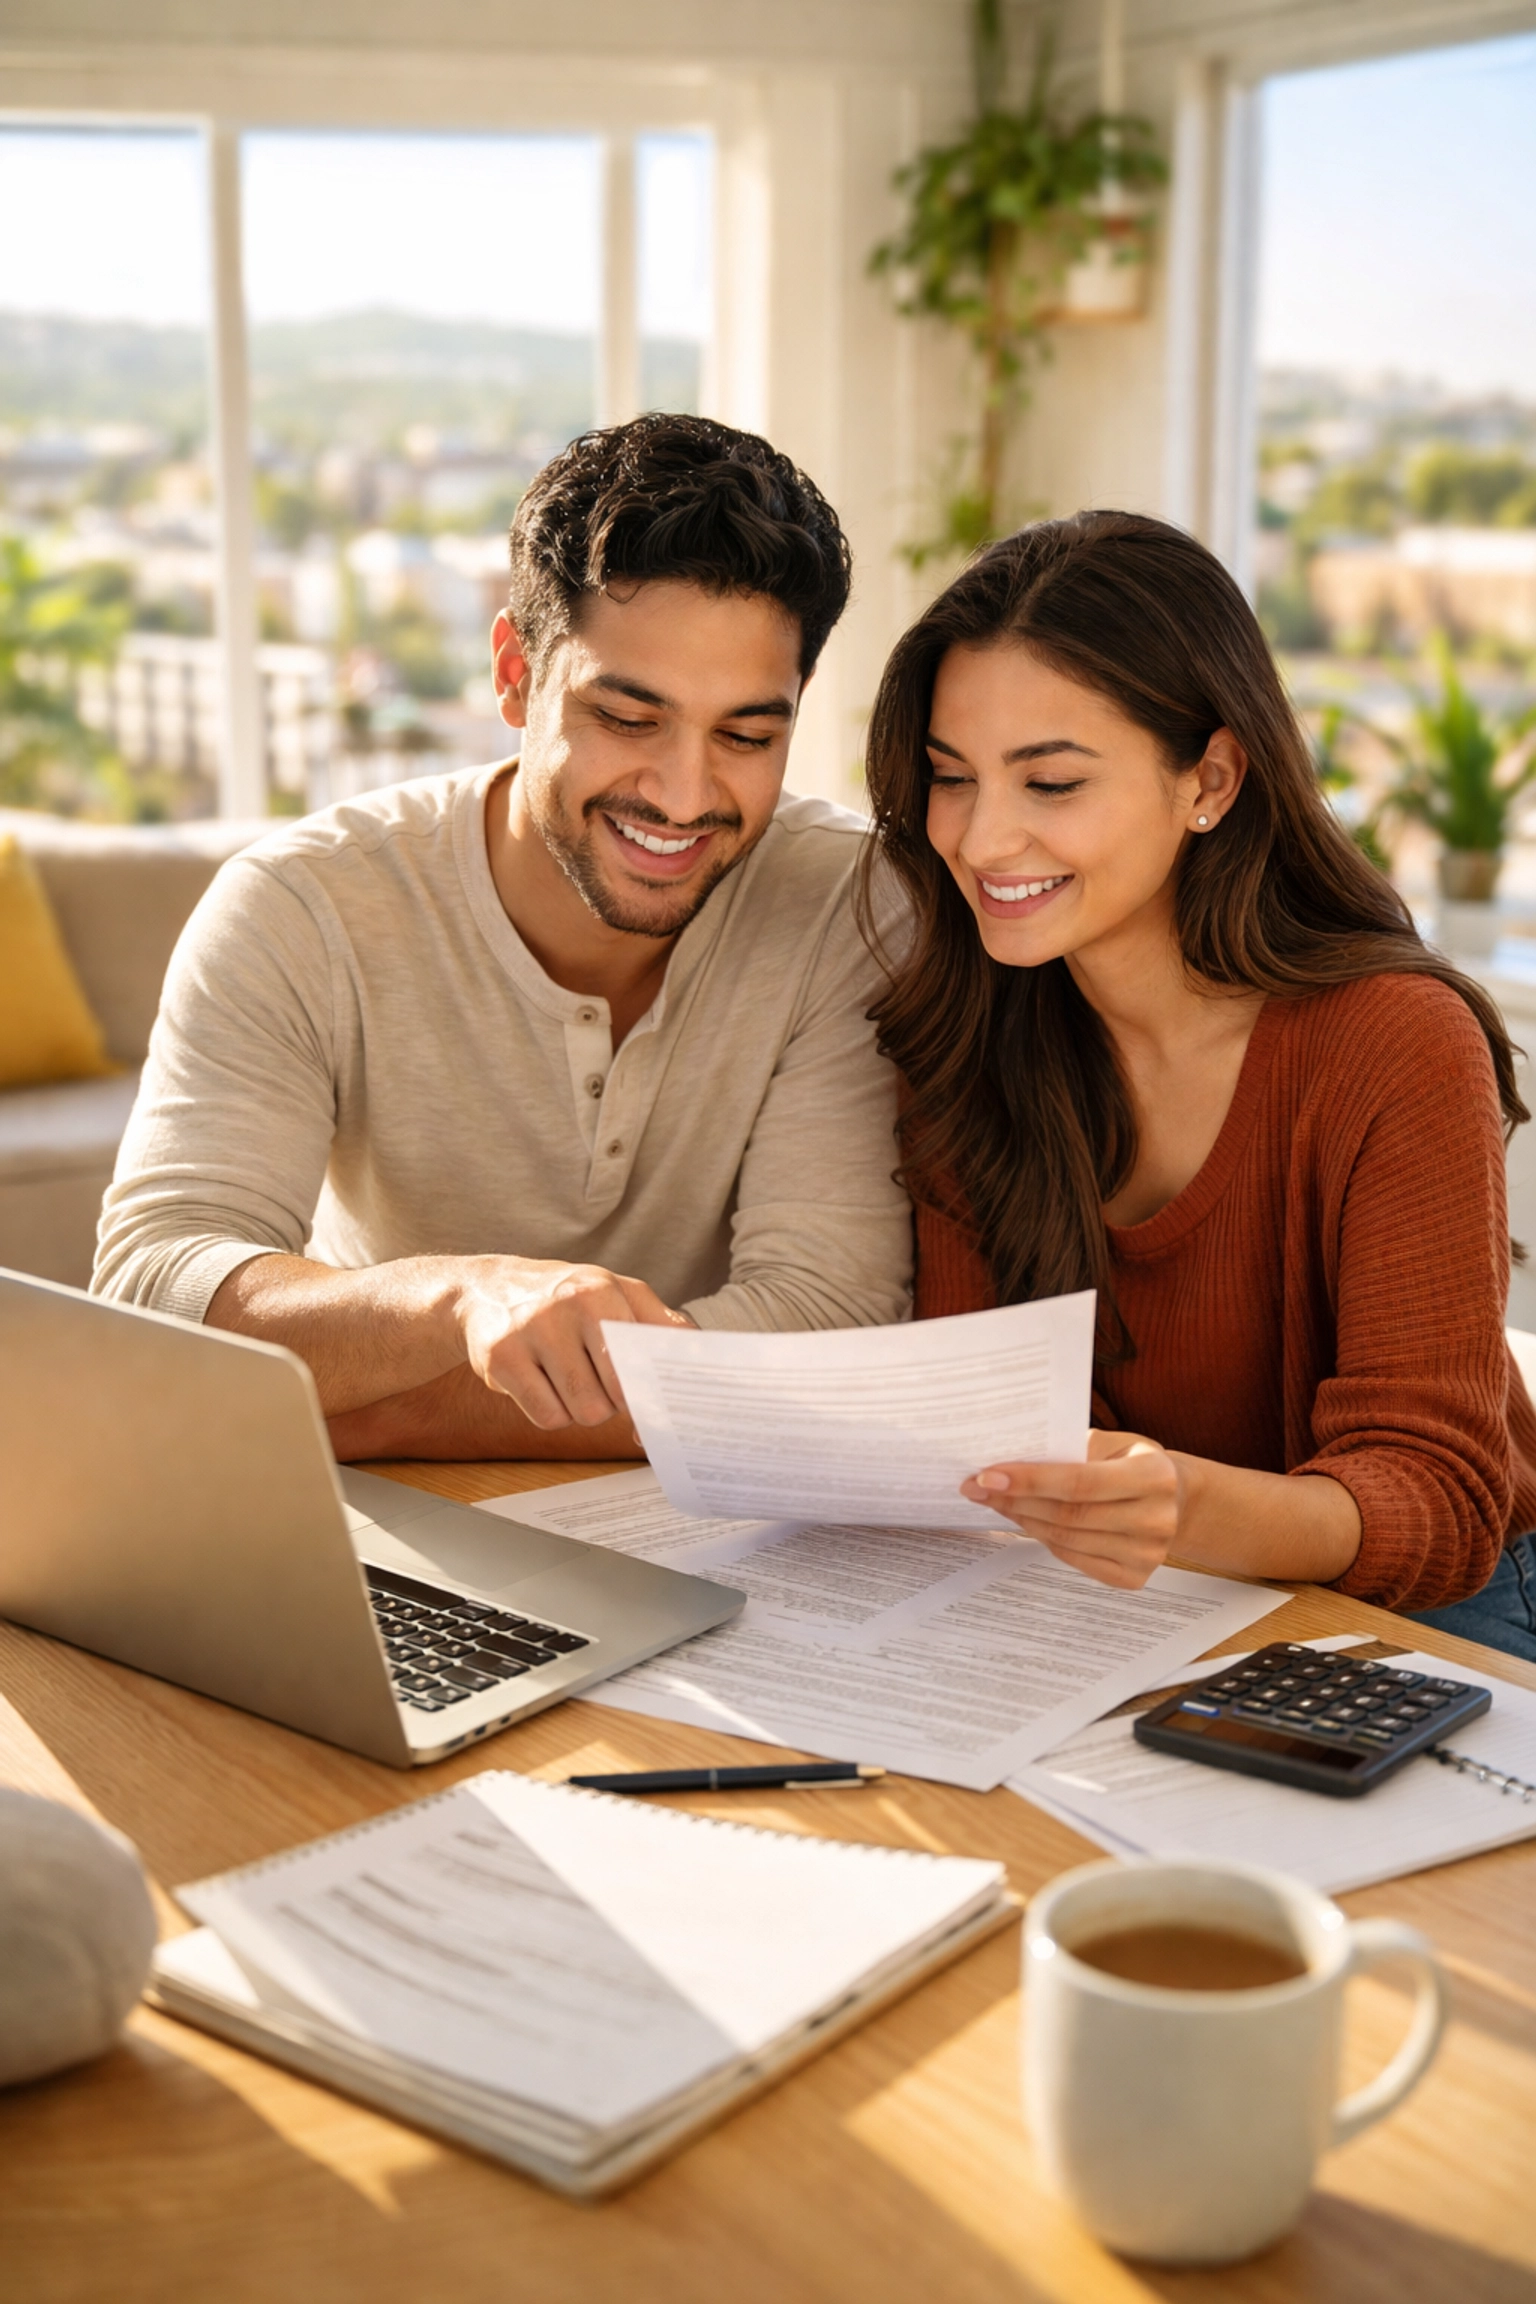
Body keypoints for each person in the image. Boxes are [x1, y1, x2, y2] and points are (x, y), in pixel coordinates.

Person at [94, 414, 912, 1460]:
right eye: (627, 717)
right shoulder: (301, 908)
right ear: (516, 674)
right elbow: (151, 1289)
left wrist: (373, 1416)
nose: (683, 794)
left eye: (749, 735)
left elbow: (822, 1323)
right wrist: (460, 1302)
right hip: (412, 1531)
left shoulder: (849, 906)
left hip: (700, 1515)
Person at [862, 507, 1536, 1661]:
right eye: (950, 776)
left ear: (1211, 778)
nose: (980, 840)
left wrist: (1189, 1508)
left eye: (1053, 783)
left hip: (1434, 1612)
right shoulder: (970, 1036)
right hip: (1137, 1601)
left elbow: (1440, 1498)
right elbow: (992, 1419)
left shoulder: (1395, 1041)